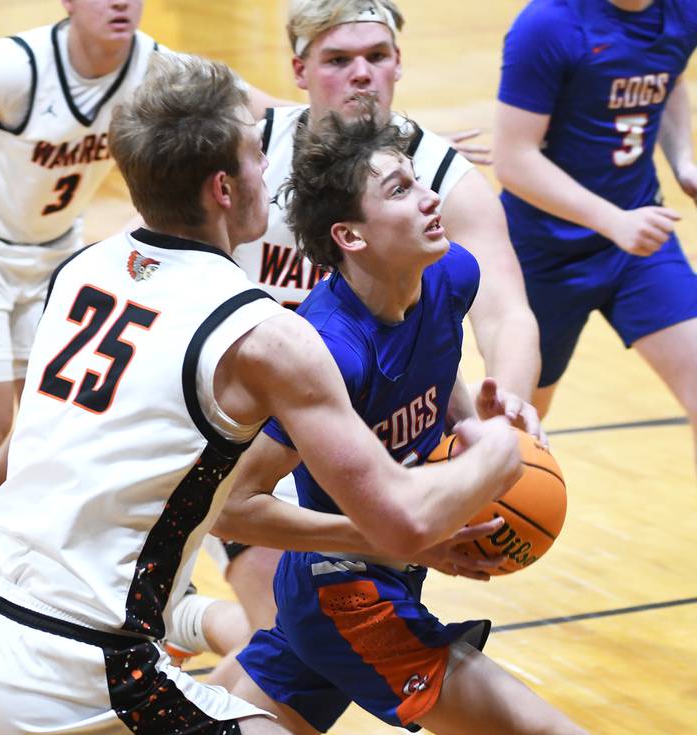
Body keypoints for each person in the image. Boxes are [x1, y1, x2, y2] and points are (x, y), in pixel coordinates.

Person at [0, 53, 527, 735]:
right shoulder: (265, 335)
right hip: (83, 669)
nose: (273, 173)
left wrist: (373, 543)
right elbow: (404, 518)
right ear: (224, 188)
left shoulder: (80, 272)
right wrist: (497, 452)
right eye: (261, 156)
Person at [0, 0, 287, 611]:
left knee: (52, 416)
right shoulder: (15, 66)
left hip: (55, 251)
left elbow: (266, 109)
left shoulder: (152, 64)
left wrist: (391, 138)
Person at [207, 110, 584, 734]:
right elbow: (231, 506)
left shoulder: (448, 273)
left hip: (382, 575)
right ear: (351, 237)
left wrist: (477, 417)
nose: (432, 196)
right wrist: (382, 538)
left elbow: (435, 364)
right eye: (401, 190)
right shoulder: (329, 350)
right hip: (347, 594)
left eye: (418, 180)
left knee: (226, 722)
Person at [192, 0, 543, 667]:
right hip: (240, 435)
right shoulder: (250, 153)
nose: (361, 75)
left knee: (295, 651)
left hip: (363, 443)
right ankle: (194, 623)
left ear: (400, 64)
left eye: (376, 57)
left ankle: (195, 626)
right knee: (284, 626)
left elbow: (504, 310)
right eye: (338, 60)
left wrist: (511, 400)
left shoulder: (440, 181)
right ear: (300, 70)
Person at [493, 0, 697, 468]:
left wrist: (682, 159)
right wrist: (614, 221)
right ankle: (482, 536)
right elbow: (513, 159)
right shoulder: (548, 24)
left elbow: (670, 78)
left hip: (638, 244)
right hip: (542, 254)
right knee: (520, 428)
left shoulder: (683, 12)